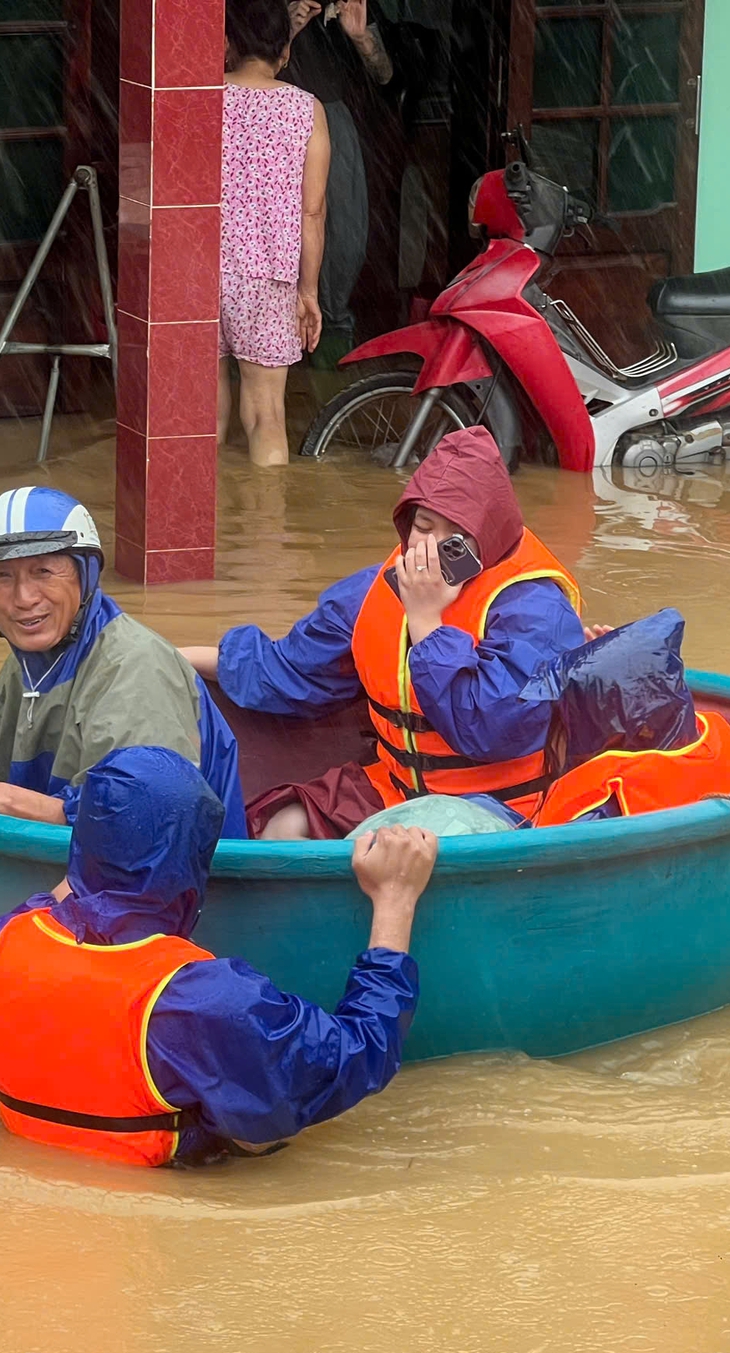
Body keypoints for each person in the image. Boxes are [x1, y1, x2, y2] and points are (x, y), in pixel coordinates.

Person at [0, 746, 438, 1166]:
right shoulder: (203, 1001)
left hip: (23, 1187)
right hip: (164, 1196)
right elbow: (360, 1055)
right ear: (195, 870)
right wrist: (394, 900)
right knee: (265, 1121)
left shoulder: (2, 945)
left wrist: (84, 878)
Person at [183, 426, 586, 837]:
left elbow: (488, 730)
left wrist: (427, 622)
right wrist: (172, 658)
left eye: (456, 538)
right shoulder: (372, 591)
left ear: (489, 536)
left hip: (502, 805)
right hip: (395, 788)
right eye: (424, 527)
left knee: (388, 846)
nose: (431, 549)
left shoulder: (537, 610)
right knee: (283, 828)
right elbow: (287, 670)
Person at [0, 487, 248, 838]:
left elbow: (136, 823)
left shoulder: (134, 669)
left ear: (85, 576)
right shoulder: (31, 659)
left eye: (44, 571)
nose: (24, 598)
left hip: (178, 895)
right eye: (2, 576)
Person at [220, 0, 331, 466]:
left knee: (199, 414)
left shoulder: (200, 97)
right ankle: (268, 533)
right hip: (267, 278)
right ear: (284, 51)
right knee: (266, 414)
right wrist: (308, 292)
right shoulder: (305, 109)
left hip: (198, 269)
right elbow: (312, 212)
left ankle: (198, 530)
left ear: (227, 44)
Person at [281, 0, 406, 356]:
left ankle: (330, 335)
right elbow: (236, 64)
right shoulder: (273, 9)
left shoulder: (357, 5)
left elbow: (386, 75)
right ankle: (275, 335)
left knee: (345, 235)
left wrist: (362, 37)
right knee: (276, 229)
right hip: (275, 114)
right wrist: (285, 31)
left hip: (335, 121)